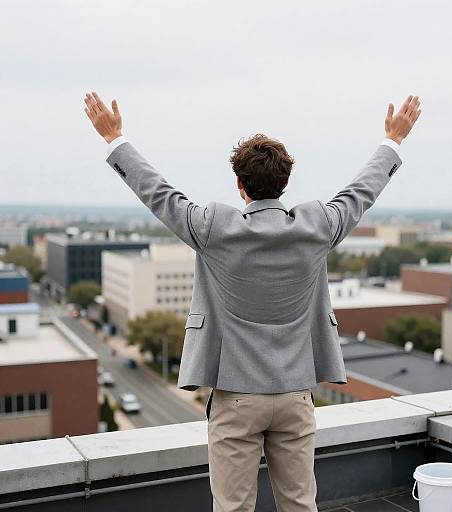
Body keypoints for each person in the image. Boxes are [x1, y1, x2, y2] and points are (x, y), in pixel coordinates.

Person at [84, 92, 421, 511]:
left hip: (236, 396)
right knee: (300, 504)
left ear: (240, 185)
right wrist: (393, 141)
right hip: (296, 394)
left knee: (234, 508)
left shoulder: (212, 228)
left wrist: (114, 138)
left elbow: (159, 193)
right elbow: (361, 192)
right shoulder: (317, 226)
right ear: (285, 183)